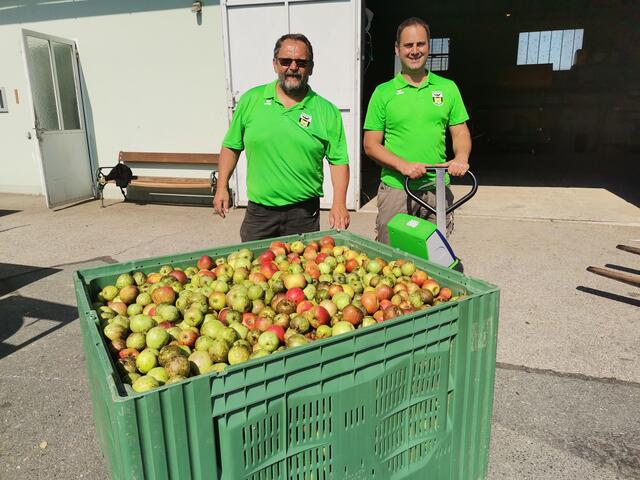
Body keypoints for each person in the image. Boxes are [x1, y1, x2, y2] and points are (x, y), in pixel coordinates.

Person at [213, 33, 350, 242]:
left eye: (301, 62)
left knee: (303, 273)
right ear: (275, 64)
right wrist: (222, 186)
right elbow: (232, 146)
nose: (293, 67)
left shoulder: (326, 110)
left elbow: (338, 160)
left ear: (311, 67)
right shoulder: (252, 100)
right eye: (286, 61)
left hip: (303, 214)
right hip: (259, 213)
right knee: (253, 271)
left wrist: (339, 202)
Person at [363, 17, 471, 244]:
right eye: (408, 45)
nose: (414, 51)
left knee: (435, 256)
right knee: (391, 259)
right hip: (396, 189)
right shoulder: (383, 93)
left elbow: (460, 132)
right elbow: (371, 145)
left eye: (420, 44)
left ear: (428, 46)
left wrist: (460, 158)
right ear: (397, 49)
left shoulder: (447, 88)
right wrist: (404, 166)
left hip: (437, 188)